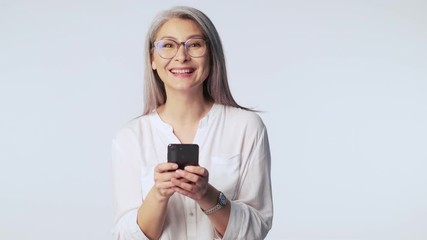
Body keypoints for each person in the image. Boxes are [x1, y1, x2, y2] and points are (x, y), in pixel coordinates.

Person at [111, 6, 273, 240]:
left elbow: (255, 230)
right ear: (152, 59)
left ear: (211, 54)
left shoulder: (246, 127)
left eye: (194, 44)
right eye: (168, 45)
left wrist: (205, 194)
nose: (181, 56)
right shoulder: (130, 137)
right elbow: (125, 235)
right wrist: (159, 194)